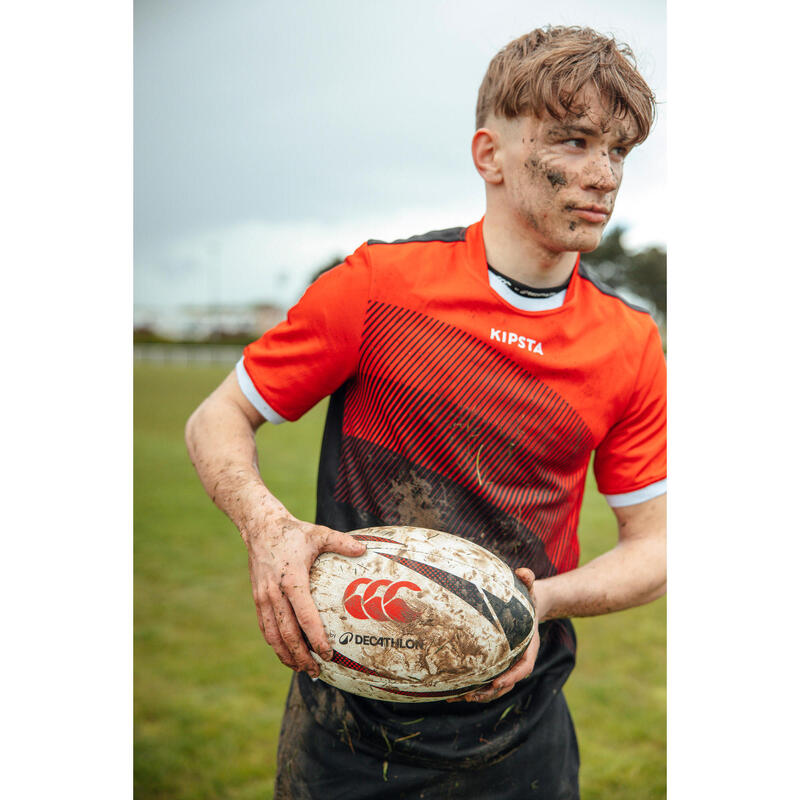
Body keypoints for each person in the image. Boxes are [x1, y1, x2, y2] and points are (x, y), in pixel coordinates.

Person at [185, 25, 666, 799]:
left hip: (522, 734)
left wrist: (534, 602)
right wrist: (268, 530)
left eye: (618, 151)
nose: (603, 175)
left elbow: (656, 549)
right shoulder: (379, 286)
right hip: (347, 731)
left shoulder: (629, 342)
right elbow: (216, 417)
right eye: (574, 141)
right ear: (490, 156)